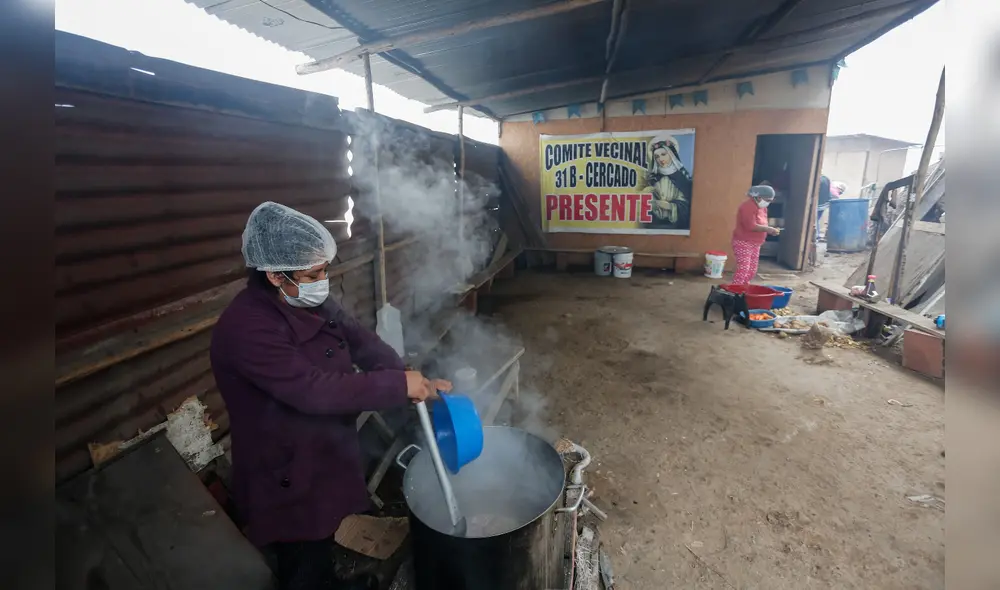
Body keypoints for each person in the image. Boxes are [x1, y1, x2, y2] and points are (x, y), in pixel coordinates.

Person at [210, 201, 450, 590]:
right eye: (314, 273)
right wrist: (394, 387)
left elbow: (359, 338)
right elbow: (312, 390)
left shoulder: (306, 296)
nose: (324, 279)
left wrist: (403, 374)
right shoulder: (246, 328)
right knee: (302, 554)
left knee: (328, 536)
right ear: (274, 276)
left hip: (322, 447)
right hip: (284, 466)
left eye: (325, 268)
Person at [641, 134, 693, 229]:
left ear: (671, 155)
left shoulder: (682, 178)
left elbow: (688, 205)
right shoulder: (653, 178)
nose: (660, 159)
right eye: (656, 156)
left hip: (676, 228)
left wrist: (670, 206)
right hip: (653, 226)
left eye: (663, 154)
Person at [731, 185, 780, 285]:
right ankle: (735, 291)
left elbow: (762, 223)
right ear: (758, 197)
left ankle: (743, 289)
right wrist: (768, 229)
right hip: (743, 241)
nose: (768, 202)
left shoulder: (763, 208)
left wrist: (770, 230)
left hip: (756, 243)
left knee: (752, 270)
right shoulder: (747, 206)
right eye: (767, 200)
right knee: (743, 270)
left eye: (770, 200)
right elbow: (750, 226)